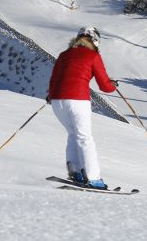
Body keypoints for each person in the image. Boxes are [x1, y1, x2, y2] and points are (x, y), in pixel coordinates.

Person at [46, 26, 117, 190]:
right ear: (95, 41)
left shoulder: (64, 55)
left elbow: (54, 78)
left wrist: (52, 95)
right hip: (77, 100)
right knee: (85, 138)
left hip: (57, 101)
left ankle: (76, 172)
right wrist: (113, 85)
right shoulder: (93, 56)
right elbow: (104, 85)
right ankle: (93, 178)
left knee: (73, 134)